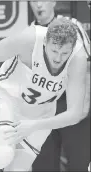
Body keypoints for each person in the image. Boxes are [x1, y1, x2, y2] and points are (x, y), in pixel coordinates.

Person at [0, 18, 88, 171]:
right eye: (54, 51)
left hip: (40, 114)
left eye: (64, 53)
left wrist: (34, 125)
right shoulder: (28, 39)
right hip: (6, 97)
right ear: (45, 41)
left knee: (17, 169)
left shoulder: (78, 58)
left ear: (72, 48)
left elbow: (75, 113)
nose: (58, 58)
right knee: (2, 157)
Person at [29, 1, 90, 171]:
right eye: (34, 0)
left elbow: (88, 66)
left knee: (79, 165)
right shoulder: (28, 32)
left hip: (71, 101)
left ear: (53, 2)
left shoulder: (72, 26)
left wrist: (83, 105)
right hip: (43, 107)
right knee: (43, 166)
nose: (39, 5)